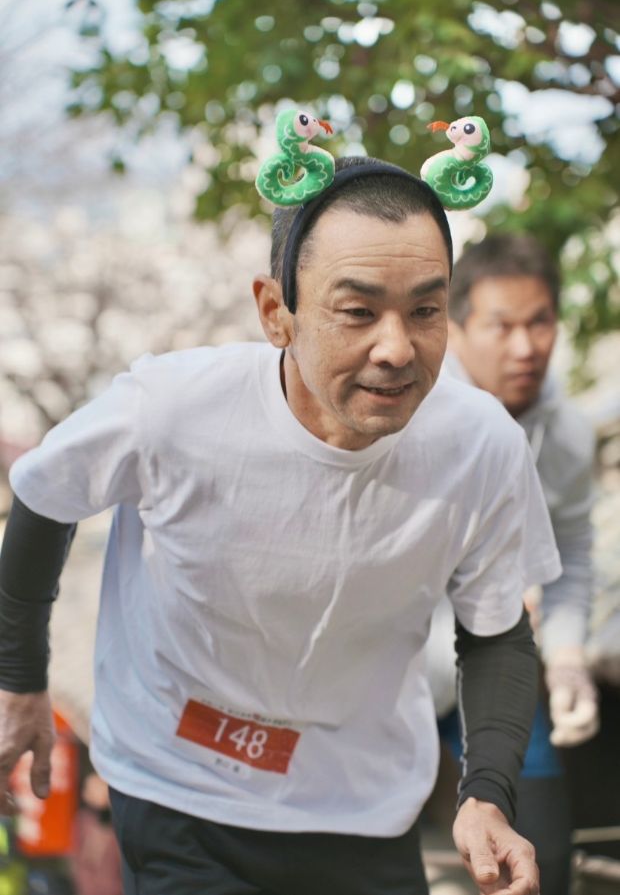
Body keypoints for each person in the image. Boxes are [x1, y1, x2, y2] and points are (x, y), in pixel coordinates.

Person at [0, 157, 563, 895]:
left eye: (426, 311)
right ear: (276, 312)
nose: (397, 348)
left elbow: (495, 631)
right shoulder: (172, 408)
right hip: (181, 785)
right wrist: (20, 682)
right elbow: (45, 493)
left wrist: (487, 791)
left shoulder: (481, 445)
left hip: (364, 801)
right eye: (357, 311)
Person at [426, 233, 598, 895]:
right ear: (458, 328)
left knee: (542, 855)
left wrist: (566, 656)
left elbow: (570, 556)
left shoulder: (569, 432)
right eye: (501, 326)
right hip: (393, 672)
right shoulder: (413, 413)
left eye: (540, 322)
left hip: (500, 668)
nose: (525, 347)